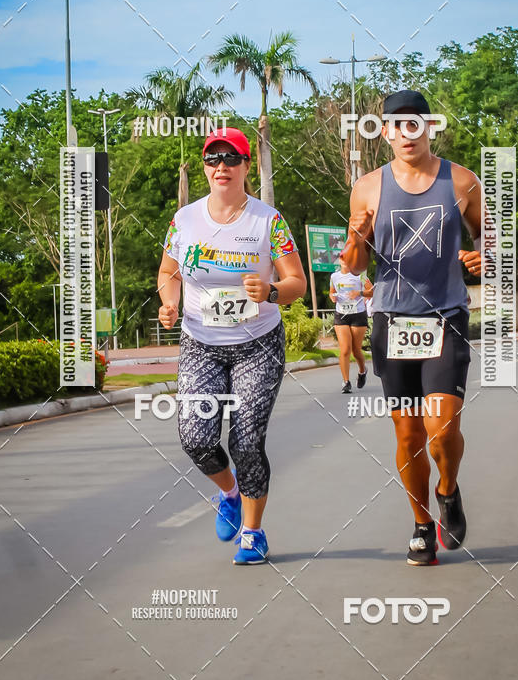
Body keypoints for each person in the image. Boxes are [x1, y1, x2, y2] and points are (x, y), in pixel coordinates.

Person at [341, 89, 483, 566]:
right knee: (408, 436)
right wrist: (356, 239)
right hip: (390, 319)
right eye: (397, 125)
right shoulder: (367, 187)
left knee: (441, 429)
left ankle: (448, 489)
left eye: (415, 123)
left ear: (429, 127)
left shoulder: (461, 181)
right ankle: (422, 525)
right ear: (385, 133)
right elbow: (356, 264)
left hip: (446, 315)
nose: (407, 133)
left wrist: (487, 255)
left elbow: (493, 236)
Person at [157, 128, 306, 564]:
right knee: (195, 437)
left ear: (245, 166)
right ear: (205, 168)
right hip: (201, 342)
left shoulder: (268, 220)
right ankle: (229, 492)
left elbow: (295, 282)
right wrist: (169, 303)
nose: (221, 166)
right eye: (212, 159)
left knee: (246, 442)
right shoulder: (184, 220)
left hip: (258, 344)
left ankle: (253, 533)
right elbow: (169, 272)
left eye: (231, 158)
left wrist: (271, 291)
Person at [329, 258, 373, 393]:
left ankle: (362, 371)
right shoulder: (334, 276)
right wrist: (333, 297)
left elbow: (372, 291)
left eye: (347, 258)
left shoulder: (360, 274)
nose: (344, 261)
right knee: (345, 349)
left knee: (355, 349)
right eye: (341, 258)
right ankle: (346, 382)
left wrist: (359, 293)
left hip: (357, 314)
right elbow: (331, 292)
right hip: (341, 314)